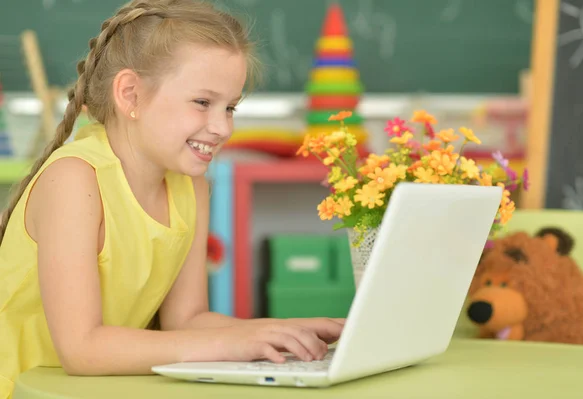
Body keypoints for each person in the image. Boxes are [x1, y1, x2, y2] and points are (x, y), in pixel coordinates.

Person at [0, 1, 344, 397]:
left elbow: (188, 320)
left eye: (230, 107)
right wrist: (229, 345)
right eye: (203, 102)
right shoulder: (74, 180)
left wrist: (284, 331)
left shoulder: (189, 184)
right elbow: (82, 349)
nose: (222, 127)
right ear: (130, 94)